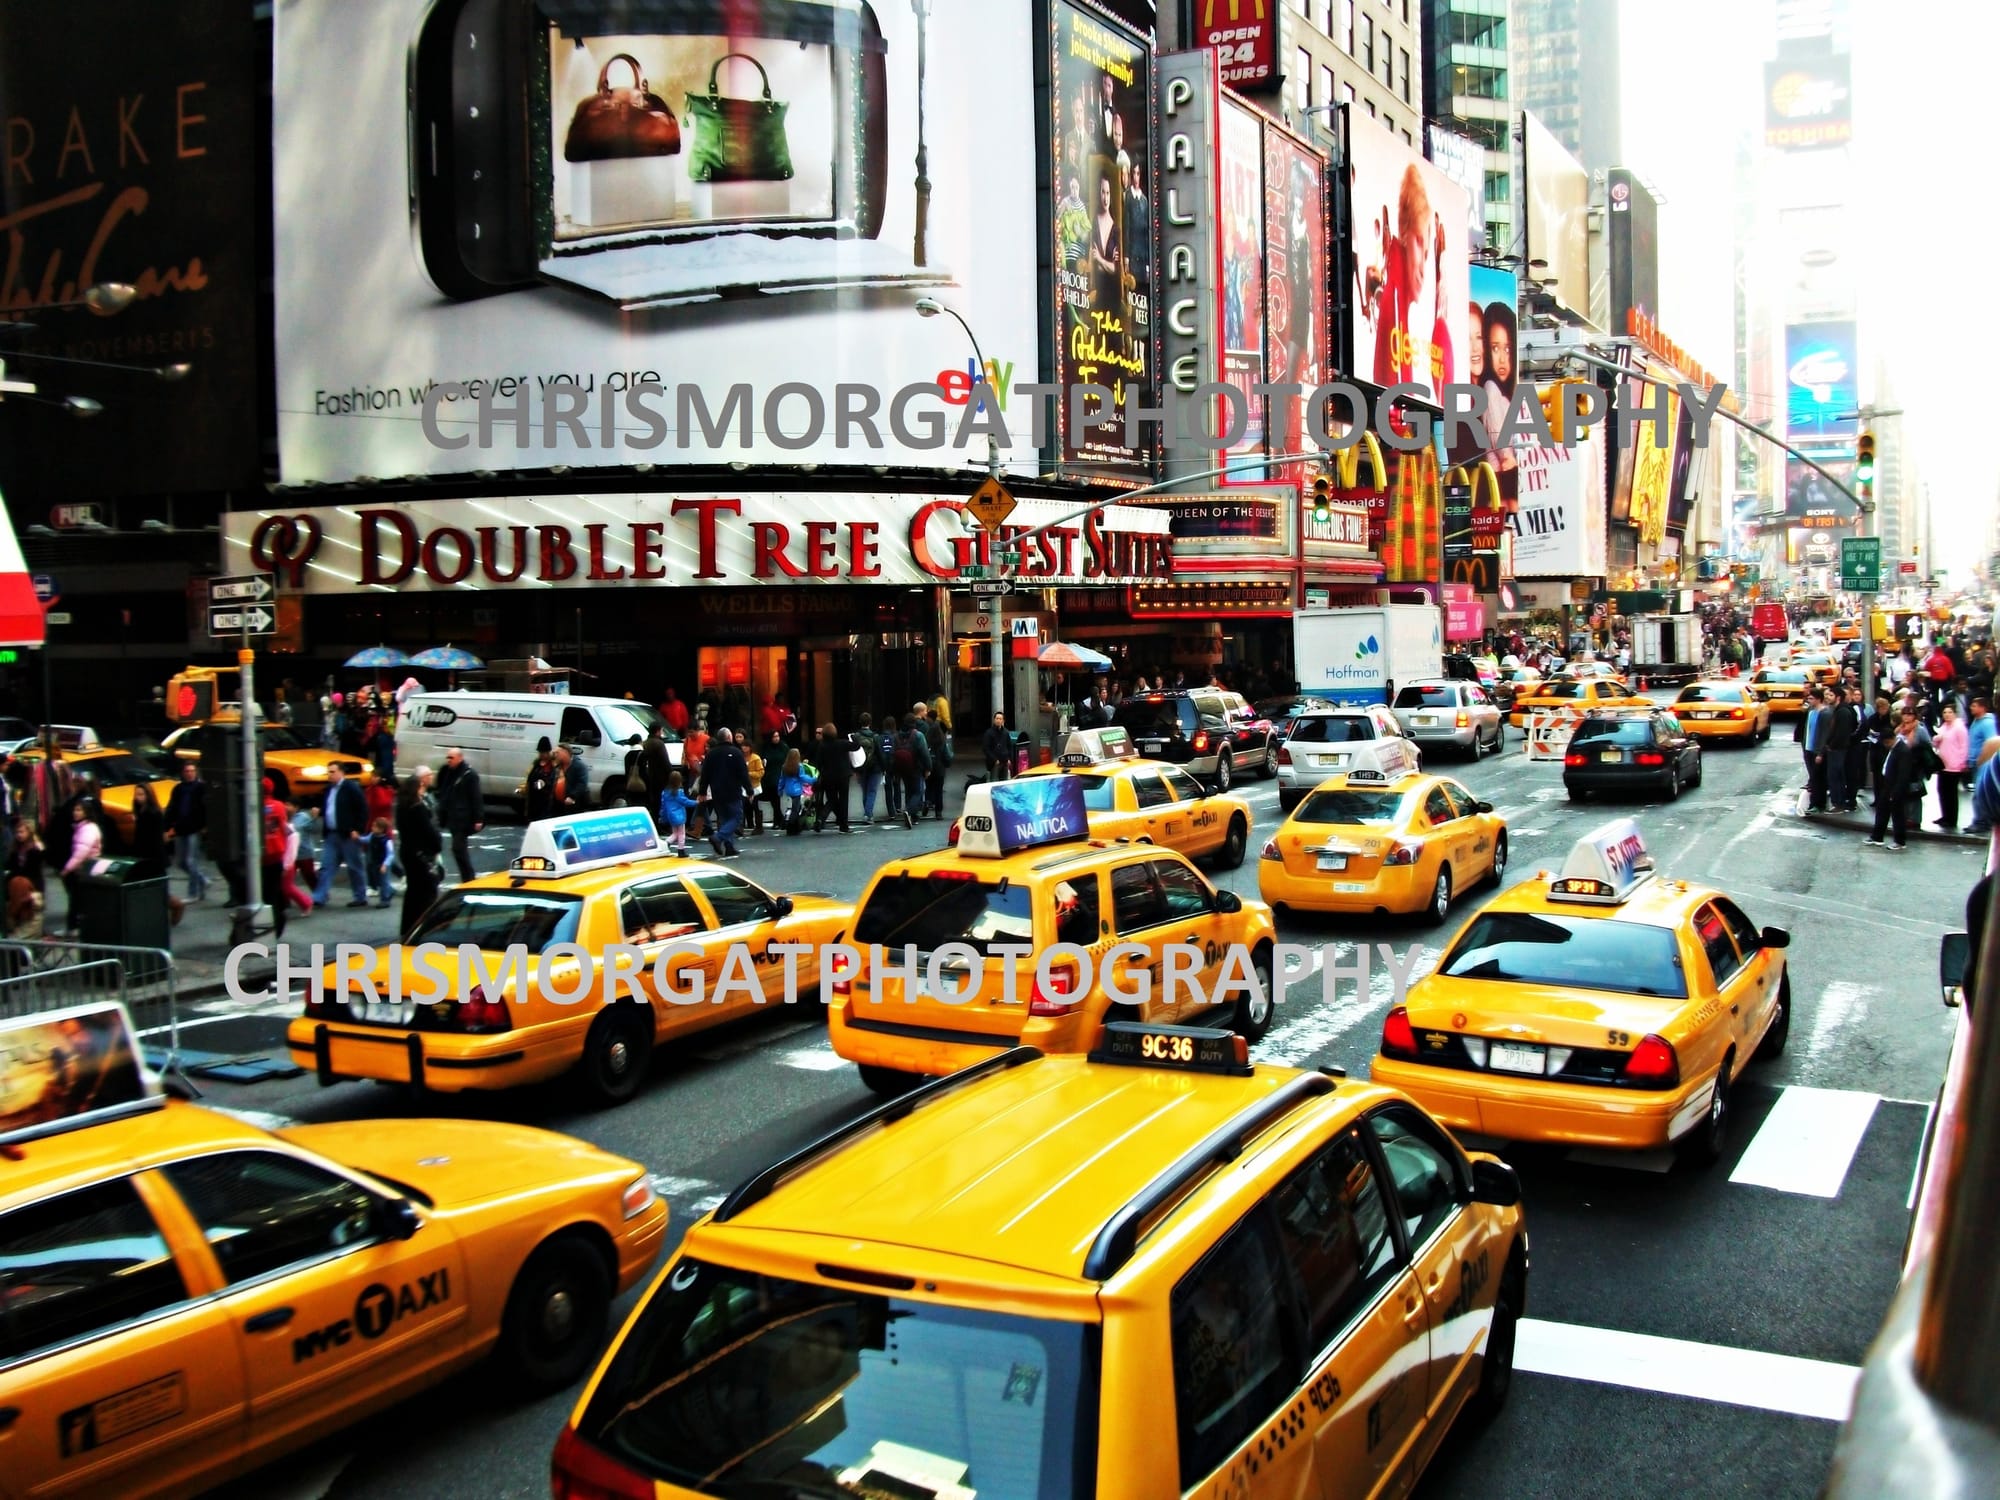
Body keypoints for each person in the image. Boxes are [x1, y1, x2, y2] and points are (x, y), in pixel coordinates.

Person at [313, 763, 372, 908]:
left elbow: (363, 809)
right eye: (329, 772)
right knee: (326, 866)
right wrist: (320, 812)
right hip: (332, 834)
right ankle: (319, 897)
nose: (330, 775)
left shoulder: (351, 788)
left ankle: (360, 896)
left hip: (348, 834)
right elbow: (330, 809)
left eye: (333, 772)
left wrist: (358, 829)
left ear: (341, 772)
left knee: (354, 866)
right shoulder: (328, 790)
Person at [395, 767, 444, 939]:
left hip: (408, 852)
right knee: (427, 893)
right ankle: (424, 929)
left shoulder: (401, 807)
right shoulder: (417, 809)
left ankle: (407, 927)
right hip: (422, 855)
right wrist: (437, 845)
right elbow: (428, 832)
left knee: (412, 892)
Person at [1866, 710, 1921, 851]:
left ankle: (1900, 841)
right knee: (1882, 811)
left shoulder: (1902, 751)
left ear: (1890, 740)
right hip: (1888, 784)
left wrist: (1896, 791)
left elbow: (1903, 775)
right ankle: (1877, 836)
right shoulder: (1893, 749)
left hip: (1896, 788)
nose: (1885, 745)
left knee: (1898, 815)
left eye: (1886, 743)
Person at [696, 728, 751, 858]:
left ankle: (729, 846)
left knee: (724, 818)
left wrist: (702, 791)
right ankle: (718, 837)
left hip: (717, 791)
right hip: (733, 790)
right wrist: (749, 789)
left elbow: (705, 774)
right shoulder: (736, 753)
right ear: (728, 738)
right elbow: (743, 773)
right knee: (736, 817)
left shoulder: (711, 754)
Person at [434, 747, 483, 882]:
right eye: (448, 757)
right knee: (458, 850)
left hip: (463, 818)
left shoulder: (469, 775)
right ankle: (467, 878)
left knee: (458, 848)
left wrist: (478, 818)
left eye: (451, 757)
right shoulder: (446, 772)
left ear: (460, 758)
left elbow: (476, 797)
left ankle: (468, 878)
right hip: (452, 816)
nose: (448, 760)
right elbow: (443, 790)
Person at [163, 762, 209, 902]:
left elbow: (206, 808)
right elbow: (171, 808)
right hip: (181, 828)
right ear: (183, 773)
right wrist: (167, 827)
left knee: (191, 860)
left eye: (192, 771)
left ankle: (193, 893)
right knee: (181, 862)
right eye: (187, 771)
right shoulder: (178, 789)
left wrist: (205, 825)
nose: (190, 773)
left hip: (194, 828)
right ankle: (202, 880)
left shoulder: (201, 788)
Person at [59, 799, 101, 936]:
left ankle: (74, 928)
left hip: (86, 869)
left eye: (79, 810)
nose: (75, 813)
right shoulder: (82, 827)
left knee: (77, 899)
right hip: (83, 869)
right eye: (75, 810)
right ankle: (74, 927)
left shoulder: (88, 829)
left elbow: (81, 853)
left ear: (86, 812)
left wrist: (67, 869)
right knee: (77, 899)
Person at [258, 779, 291, 942]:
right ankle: (278, 919)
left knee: (264, 893)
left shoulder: (252, 806)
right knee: (274, 890)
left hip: (260, 857)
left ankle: (271, 924)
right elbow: (284, 828)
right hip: (276, 853)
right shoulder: (279, 806)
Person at [5, 817, 43, 938]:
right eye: (17, 832)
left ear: (29, 833)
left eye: (22, 832)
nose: (19, 835)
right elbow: (11, 865)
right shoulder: (15, 850)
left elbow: (35, 869)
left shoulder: (35, 850)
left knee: (30, 914)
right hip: (17, 885)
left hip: (31, 885)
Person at [1937, 703, 1970, 832]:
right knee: (1942, 791)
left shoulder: (1959, 728)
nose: (1947, 715)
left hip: (1954, 765)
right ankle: (1944, 815)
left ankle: (1951, 819)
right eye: (1945, 712)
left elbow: (1964, 746)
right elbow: (1937, 740)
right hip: (1943, 764)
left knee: (1951, 793)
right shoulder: (1944, 726)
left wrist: (1961, 762)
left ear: (1954, 713)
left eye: (1949, 712)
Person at [813, 724, 851, 833]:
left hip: (828, 776)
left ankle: (821, 818)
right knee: (844, 800)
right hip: (843, 775)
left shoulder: (822, 746)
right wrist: (853, 737)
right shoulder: (842, 743)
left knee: (832, 800)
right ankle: (843, 825)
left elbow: (818, 763)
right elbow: (856, 746)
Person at [914, 701, 948, 820]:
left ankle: (927, 803)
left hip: (929, 765)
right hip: (940, 767)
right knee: (939, 789)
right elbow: (947, 755)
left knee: (929, 786)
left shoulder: (926, 737)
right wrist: (946, 763)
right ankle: (938, 812)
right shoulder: (942, 740)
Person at [128, 783, 167, 883]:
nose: (138, 797)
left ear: (148, 795)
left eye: (141, 794)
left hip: (152, 856)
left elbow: (154, 837)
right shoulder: (140, 810)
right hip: (145, 854)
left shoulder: (152, 813)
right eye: (136, 794)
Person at [656, 772, 697, 854]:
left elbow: (663, 805)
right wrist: (696, 802)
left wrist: (662, 815)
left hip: (670, 816)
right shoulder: (679, 792)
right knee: (681, 833)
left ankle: (666, 843)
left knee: (675, 833)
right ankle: (681, 850)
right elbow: (686, 802)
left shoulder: (665, 792)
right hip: (679, 816)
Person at [855, 713, 884, 823]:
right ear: (870, 722)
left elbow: (853, 754)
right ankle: (868, 814)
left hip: (861, 767)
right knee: (872, 791)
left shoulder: (856, 736)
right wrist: (884, 767)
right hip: (875, 767)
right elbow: (880, 753)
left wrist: (855, 769)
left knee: (865, 791)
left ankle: (867, 813)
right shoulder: (875, 737)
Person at [778, 748, 815, 835]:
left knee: (792, 808)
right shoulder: (799, 766)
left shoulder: (784, 767)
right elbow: (802, 777)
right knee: (796, 809)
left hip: (788, 789)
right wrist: (813, 780)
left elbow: (782, 779)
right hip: (797, 790)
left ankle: (793, 826)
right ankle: (792, 827)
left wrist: (780, 790)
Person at [363, 817, 395, 909]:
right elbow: (366, 839)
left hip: (383, 864)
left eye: (375, 826)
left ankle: (385, 900)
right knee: (378, 881)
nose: (372, 828)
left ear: (381, 829)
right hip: (375, 862)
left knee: (384, 881)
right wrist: (358, 838)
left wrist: (385, 864)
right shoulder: (372, 836)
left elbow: (390, 854)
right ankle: (390, 891)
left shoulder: (386, 841)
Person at [525, 738, 557, 822]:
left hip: (545, 801)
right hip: (533, 800)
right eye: (540, 752)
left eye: (544, 752)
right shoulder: (536, 763)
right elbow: (530, 777)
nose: (542, 755)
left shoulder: (552, 765)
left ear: (548, 752)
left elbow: (551, 781)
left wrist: (539, 785)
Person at [552, 746, 589, 815]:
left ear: (565, 753)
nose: (555, 755)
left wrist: (572, 796)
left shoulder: (579, 765)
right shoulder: (558, 765)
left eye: (558, 753)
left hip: (574, 803)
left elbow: (582, 783)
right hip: (559, 804)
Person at [984, 711, 1014, 783]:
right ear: (994, 720)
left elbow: (1009, 747)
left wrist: (1009, 759)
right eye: (997, 718)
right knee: (994, 782)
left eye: (1000, 719)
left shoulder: (1006, 732)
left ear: (1003, 721)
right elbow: (986, 749)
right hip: (994, 763)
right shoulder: (989, 733)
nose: (998, 720)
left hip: (1005, 762)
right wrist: (994, 760)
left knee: (1004, 782)